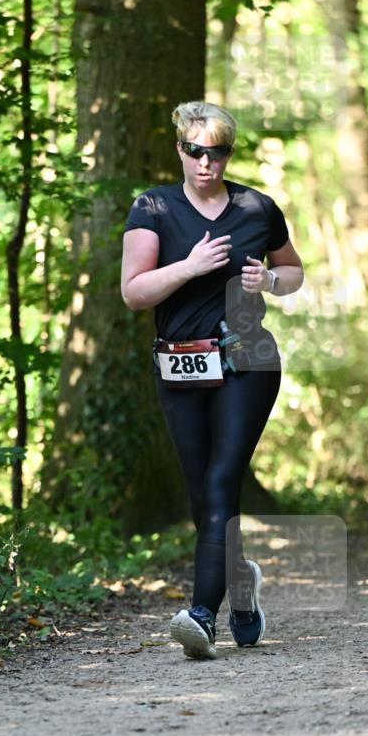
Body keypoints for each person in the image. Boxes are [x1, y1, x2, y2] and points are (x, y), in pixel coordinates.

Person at [120, 101, 304, 660]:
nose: (207, 163)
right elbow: (133, 292)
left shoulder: (256, 207)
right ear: (180, 149)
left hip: (248, 360)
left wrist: (270, 278)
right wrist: (190, 267)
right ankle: (241, 585)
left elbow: (294, 273)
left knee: (223, 482)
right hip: (180, 365)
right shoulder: (154, 206)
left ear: (228, 153)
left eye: (218, 152)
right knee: (204, 496)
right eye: (196, 151)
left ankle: (200, 614)